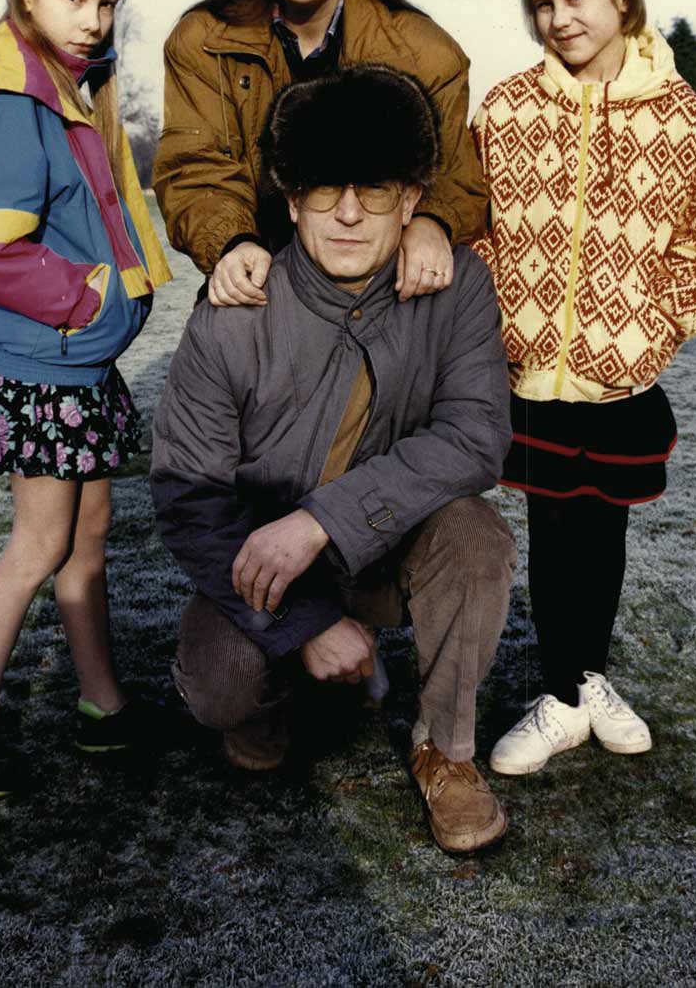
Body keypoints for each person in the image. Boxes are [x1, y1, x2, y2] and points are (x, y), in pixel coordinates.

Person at [151, 65, 516, 854]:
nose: (349, 213)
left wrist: (323, 520)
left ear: (413, 198)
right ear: (290, 200)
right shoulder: (233, 312)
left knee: (477, 535)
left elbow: (477, 435)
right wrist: (306, 622)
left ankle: (445, 752)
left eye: (375, 189)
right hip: (267, 567)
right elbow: (190, 498)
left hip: (388, 549)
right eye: (323, 189)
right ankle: (281, 697)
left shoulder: (458, 289)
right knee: (222, 689)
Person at [471, 0, 696, 777]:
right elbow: (471, 227)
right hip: (528, 372)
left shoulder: (682, 120)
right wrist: (499, 296)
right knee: (556, 526)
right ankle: (564, 695)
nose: (557, 18)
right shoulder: (509, 108)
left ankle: (582, 681)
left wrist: (649, 314)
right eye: (540, 2)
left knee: (601, 529)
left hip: (618, 379)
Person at [0, 0, 172, 796]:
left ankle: (102, 705)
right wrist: (87, 300)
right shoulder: (10, 93)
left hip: (81, 367)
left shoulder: (75, 86)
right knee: (37, 548)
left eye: (109, 3)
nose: (94, 20)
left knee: (90, 540)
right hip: (42, 367)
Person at [151, 0, 484, 307]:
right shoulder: (204, 41)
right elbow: (195, 167)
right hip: (262, 286)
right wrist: (232, 241)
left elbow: (455, 175)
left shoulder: (427, 53)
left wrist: (431, 221)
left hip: (379, 296)